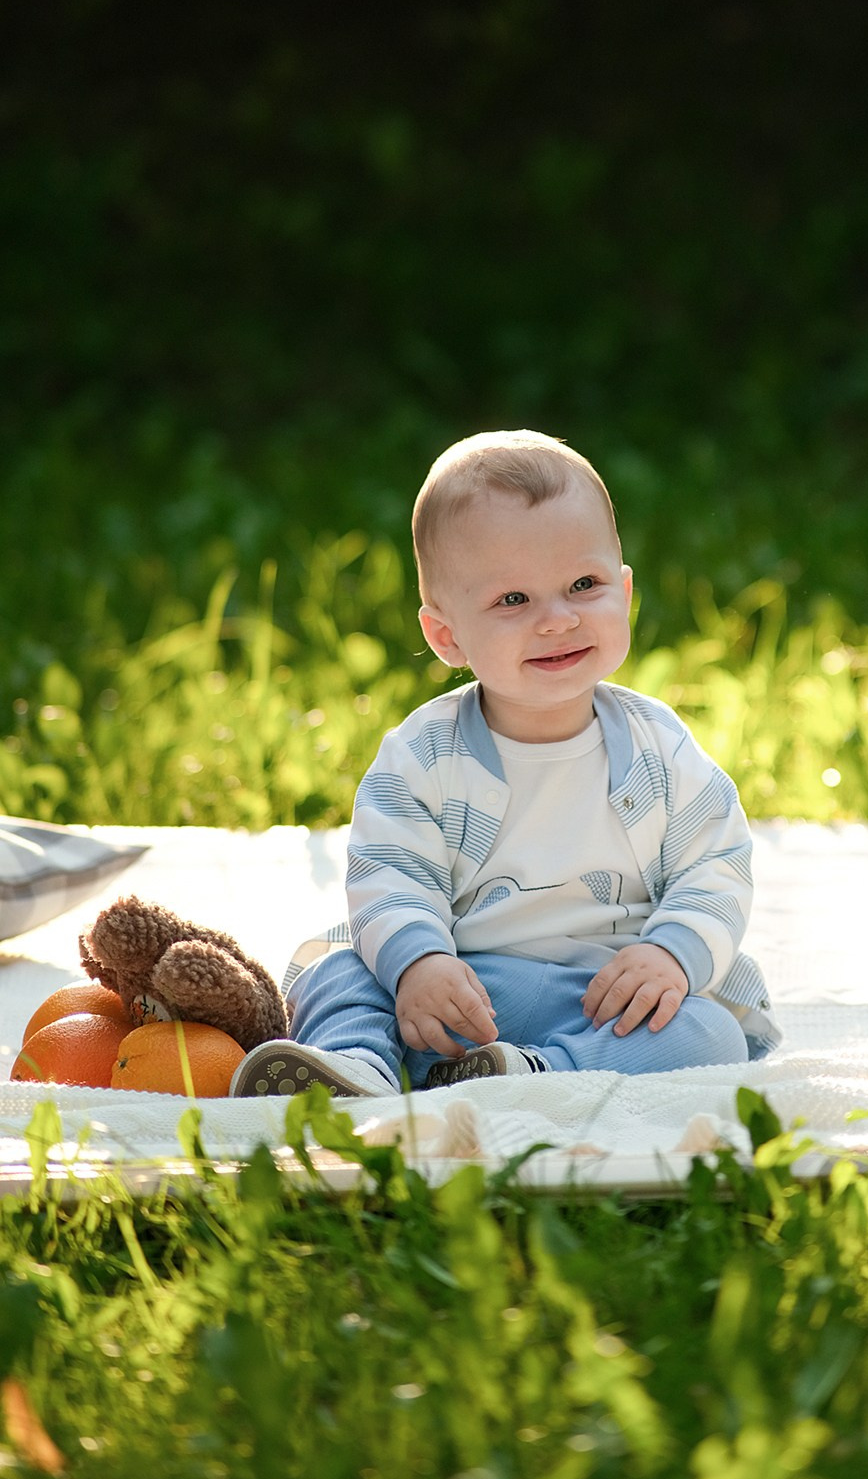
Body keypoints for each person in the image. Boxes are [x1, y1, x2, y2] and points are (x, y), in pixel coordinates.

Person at [231, 429, 779, 1098]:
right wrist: (419, 965)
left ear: (625, 591)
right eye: (514, 600)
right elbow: (390, 876)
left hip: (605, 995)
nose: (558, 620)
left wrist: (670, 955)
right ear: (446, 635)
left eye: (584, 585)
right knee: (340, 972)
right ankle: (358, 1065)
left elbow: (714, 865)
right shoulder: (423, 755)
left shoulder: (659, 748)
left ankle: (536, 1072)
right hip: (459, 988)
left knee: (710, 1034)